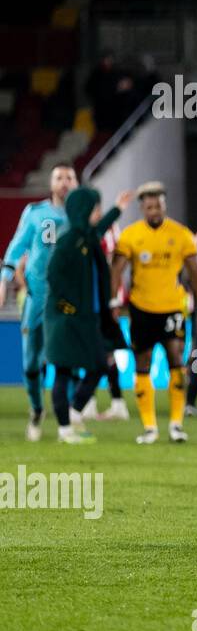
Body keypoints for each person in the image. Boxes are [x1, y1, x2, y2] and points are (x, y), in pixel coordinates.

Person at [110, 182, 197, 444]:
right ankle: (150, 427)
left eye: (159, 205)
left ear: (165, 205)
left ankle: (176, 424)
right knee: (142, 363)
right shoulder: (131, 236)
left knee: (177, 359)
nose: (155, 210)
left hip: (173, 308)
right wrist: (113, 303)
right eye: (150, 206)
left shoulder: (181, 234)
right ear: (142, 208)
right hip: (141, 309)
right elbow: (116, 271)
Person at [43, 186, 130, 443]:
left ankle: (73, 413)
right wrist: (67, 308)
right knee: (63, 372)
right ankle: (65, 430)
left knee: (99, 365)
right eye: (95, 208)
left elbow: (99, 228)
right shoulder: (68, 239)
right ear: (84, 210)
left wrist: (117, 210)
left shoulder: (85, 236)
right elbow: (53, 275)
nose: (98, 213)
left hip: (87, 319)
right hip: (66, 320)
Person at [1, 164, 79, 440]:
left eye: (69, 177)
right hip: (36, 299)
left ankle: (68, 419)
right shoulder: (36, 214)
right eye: (59, 177)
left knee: (65, 359)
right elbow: (17, 245)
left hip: (67, 301)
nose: (64, 182)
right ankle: (36, 409)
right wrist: (4, 277)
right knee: (31, 365)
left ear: (77, 183)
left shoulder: (81, 217)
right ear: (51, 183)